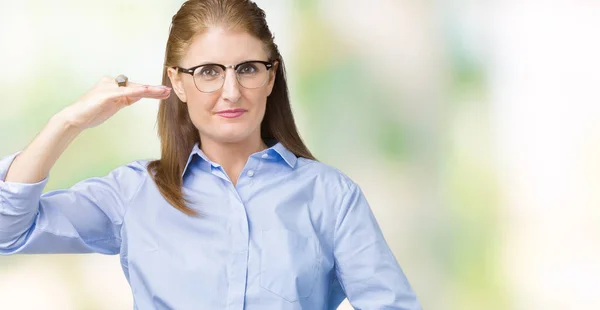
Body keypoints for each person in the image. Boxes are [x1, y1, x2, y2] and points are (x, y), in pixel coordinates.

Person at [0, 0, 421, 309]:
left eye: (248, 68)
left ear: (271, 76)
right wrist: (67, 123)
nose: (231, 91)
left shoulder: (330, 196)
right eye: (208, 72)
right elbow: (8, 231)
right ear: (177, 82)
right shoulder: (134, 194)